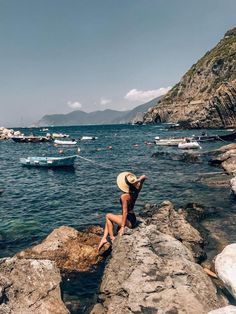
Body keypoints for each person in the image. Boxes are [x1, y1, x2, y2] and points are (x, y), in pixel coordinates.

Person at [98, 172, 146, 250]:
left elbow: (125, 212)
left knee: (108, 216)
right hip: (133, 218)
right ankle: (104, 238)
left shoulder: (124, 196)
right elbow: (143, 177)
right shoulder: (136, 191)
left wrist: (123, 227)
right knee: (110, 219)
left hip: (128, 222)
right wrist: (137, 180)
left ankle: (112, 238)